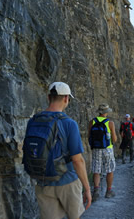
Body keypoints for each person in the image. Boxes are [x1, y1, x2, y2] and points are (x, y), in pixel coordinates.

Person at [24, 82, 91, 219]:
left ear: (49, 97)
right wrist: (87, 188)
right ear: (66, 98)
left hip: (43, 182)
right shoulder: (69, 123)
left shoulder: (33, 121)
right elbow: (77, 160)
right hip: (68, 182)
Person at [88, 104, 117, 202]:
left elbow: (89, 136)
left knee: (97, 170)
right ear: (106, 112)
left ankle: (96, 192)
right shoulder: (110, 123)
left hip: (96, 148)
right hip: (107, 149)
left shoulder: (92, 122)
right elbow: (114, 139)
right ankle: (108, 191)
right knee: (109, 169)